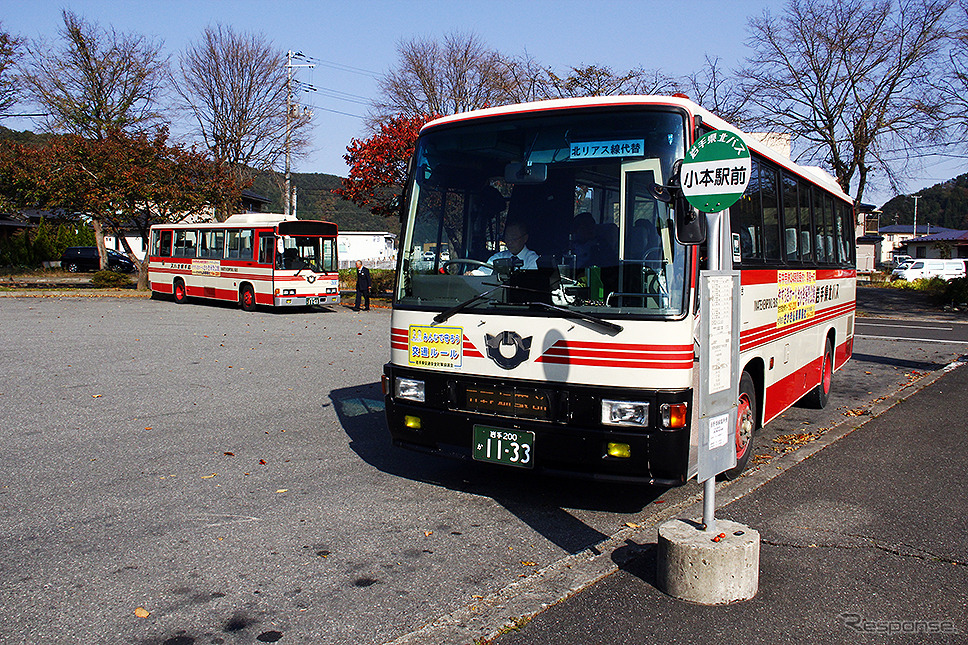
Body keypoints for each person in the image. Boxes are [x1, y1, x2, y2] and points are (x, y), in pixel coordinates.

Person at [470, 221, 539, 275]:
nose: (509, 242)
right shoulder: (499, 256)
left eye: (513, 238)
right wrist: (473, 274)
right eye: (507, 238)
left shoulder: (533, 260)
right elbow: (484, 272)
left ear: (525, 238)